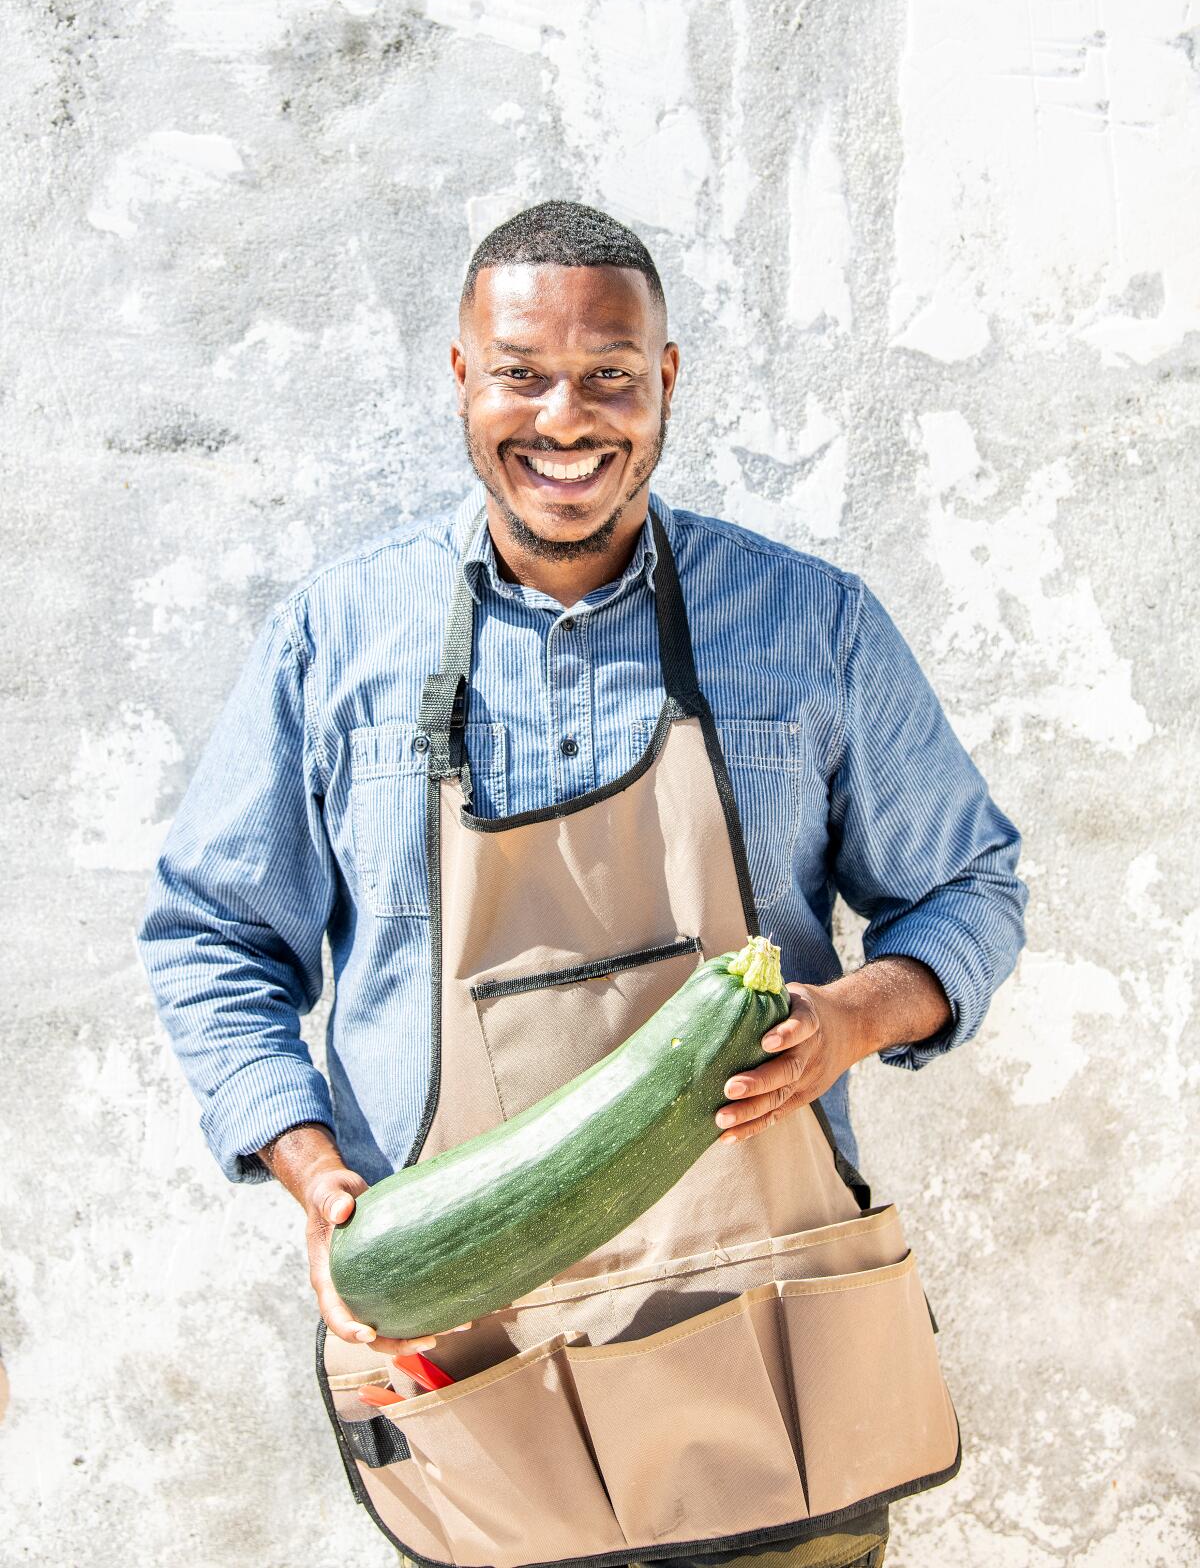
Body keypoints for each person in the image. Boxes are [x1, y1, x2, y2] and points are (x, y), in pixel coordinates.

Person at [138, 199, 1027, 1568]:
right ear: (460, 378)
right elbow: (212, 937)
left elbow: (970, 885)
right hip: (477, 1382)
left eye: (611, 374)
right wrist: (313, 1177)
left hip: (767, 1346)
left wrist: (855, 1018)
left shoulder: (809, 626)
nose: (567, 418)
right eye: (523, 374)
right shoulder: (335, 642)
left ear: (664, 379)